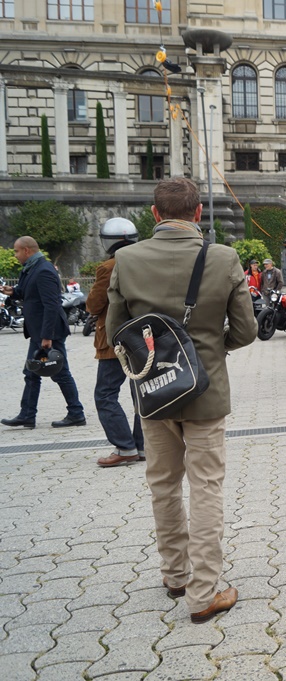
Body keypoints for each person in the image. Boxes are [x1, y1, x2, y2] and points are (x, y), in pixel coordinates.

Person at [106, 177, 258, 624]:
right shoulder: (224, 257)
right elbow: (247, 331)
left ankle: (175, 575)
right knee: (206, 487)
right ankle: (204, 592)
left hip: (152, 393)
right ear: (197, 214)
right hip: (206, 392)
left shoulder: (126, 259)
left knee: (163, 485)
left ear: (154, 215)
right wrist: (207, 350)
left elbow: (118, 332)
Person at [0, 236, 87, 429]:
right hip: (39, 331)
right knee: (31, 372)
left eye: (16, 251)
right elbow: (27, 293)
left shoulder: (44, 270)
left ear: (27, 250)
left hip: (49, 332)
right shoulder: (31, 268)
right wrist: (13, 291)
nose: (15, 255)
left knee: (60, 372)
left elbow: (51, 305)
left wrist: (47, 336)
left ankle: (76, 413)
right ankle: (27, 415)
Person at [89, 217, 145, 467]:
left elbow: (93, 304)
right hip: (141, 336)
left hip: (114, 339)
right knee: (141, 393)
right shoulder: (145, 259)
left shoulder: (108, 266)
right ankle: (143, 445)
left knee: (105, 394)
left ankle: (124, 447)